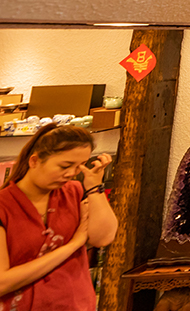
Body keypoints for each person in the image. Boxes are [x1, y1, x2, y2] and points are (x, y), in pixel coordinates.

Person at [0, 125, 117, 308]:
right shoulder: (4, 206)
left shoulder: (74, 191)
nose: (71, 173)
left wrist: (95, 187)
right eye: (65, 166)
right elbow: (2, 282)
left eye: (79, 166)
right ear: (34, 161)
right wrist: (73, 245)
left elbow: (103, 238)